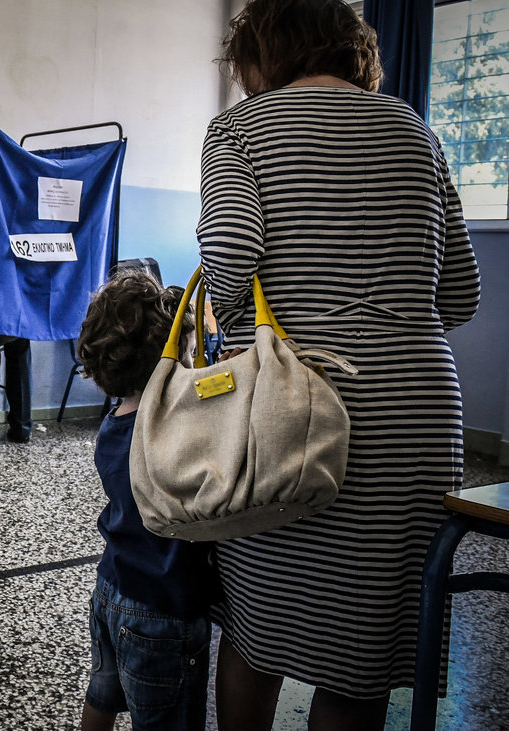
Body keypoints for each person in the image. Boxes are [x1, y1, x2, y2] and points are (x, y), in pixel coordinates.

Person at [197, 2, 481, 729]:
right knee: (362, 650)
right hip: (412, 415)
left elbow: (229, 253)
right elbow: (462, 294)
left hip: (285, 407)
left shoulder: (240, 128)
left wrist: (237, 325)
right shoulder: (417, 131)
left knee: (256, 626)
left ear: (263, 54)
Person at [74, 270, 216, 731]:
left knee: (101, 696)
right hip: (163, 609)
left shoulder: (114, 424)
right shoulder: (172, 438)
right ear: (166, 362)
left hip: (111, 587)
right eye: (189, 353)